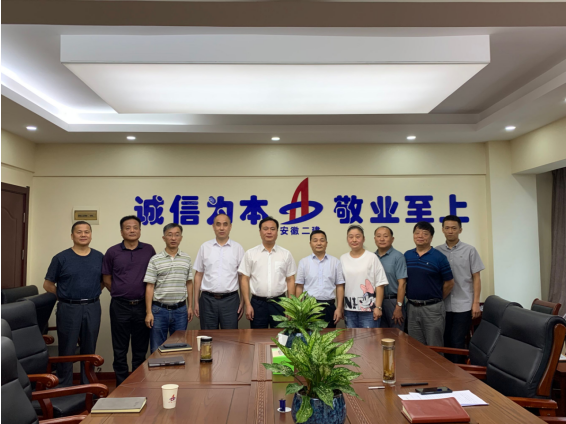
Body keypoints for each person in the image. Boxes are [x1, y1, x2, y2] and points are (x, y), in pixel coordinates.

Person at [43, 221, 104, 387]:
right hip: (68, 308)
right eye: (79, 232)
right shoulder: (61, 258)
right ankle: (64, 387)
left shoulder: (99, 257)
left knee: (89, 348)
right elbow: (48, 284)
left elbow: (103, 281)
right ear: (72, 235)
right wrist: (65, 297)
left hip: (92, 307)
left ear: (91, 235)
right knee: (67, 349)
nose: (83, 235)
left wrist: (89, 294)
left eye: (87, 231)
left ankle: (88, 386)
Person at [102, 215, 156, 386]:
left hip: (142, 306)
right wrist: (121, 292)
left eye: (135, 227)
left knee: (140, 350)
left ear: (140, 230)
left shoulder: (149, 250)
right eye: (128, 228)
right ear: (121, 232)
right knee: (120, 350)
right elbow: (107, 279)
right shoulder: (112, 252)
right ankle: (122, 386)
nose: (132, 230)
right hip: (120, 306)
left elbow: (154, 277)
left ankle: (138, 386)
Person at [437, 215, 485, 362]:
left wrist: (475, 303)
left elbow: (476, 277)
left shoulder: (470, 250)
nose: (450, 231)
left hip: (464, 304)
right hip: (443, 304)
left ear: (460, 230)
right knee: (445, 339)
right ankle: (446, 370)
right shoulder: (437, 251)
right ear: (442, 230)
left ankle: (458, 371)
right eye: (447, 228)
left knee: (457, 340)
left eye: (454, 228)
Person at [239, 216, 296, 328]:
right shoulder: (250, 254)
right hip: (257, 304)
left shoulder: (286, 254)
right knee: (257, 336)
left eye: (272, 229)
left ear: (277, 232)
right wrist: (248, 304)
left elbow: (290, 280)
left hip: (280, 303)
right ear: (260, 232)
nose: (269, 232)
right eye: (265, 229)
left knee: (281, 336)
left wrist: (290, 307)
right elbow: (244, 279)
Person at [144, 223, 194, 353]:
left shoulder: (186, 258)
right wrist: (149, 312)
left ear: (181, 238)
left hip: (180, 310)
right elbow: (150, 286)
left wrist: (190, 306)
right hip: (159, 310)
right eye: (170, 235)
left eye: (177, 235)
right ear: (164, 238)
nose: (173, 238)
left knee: (179, 348)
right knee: (156, 349)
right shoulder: (155, 259)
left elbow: (189, 283)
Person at [404, 221, 455, 346]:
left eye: (425, 233)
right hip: (411, 307)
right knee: (415, 347)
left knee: (434, 346)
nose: (420, 236)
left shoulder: (439, 257)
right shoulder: (407, 255)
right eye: (417, 233)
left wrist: (436, 299)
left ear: (431, 237)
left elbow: (449, 283)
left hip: (433, 309)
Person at [193, 213, 245, 330]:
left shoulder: (238, 248)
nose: (222, 228)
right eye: (218, 224)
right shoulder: (205, 247)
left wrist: (242, 302)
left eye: (225, 224)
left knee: (230, 337)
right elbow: (198, 275)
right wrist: (196, 302)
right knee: (208, 337)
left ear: (230, 227)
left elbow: (242, 277)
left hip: (230, 301)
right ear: (213, 226)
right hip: (207, 300)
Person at [340, 225, 388, 328]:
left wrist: (378, 307)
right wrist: (340, 307)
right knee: (351, 338)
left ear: (363, 239)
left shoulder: (372, 257)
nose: (354, 240)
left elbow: (380, 284)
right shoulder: (343, 258)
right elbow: (341, 285)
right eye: (351, 237)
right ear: (347, 239)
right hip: (349, 310)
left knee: (369, 338)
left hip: (369, 310)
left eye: (358, 236)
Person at [295, 230, 345, 328]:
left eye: (322, 240)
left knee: (329, 335)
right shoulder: (304, 262)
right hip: (309, 308)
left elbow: (340, 286)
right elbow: (299, 286)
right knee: (309, 336)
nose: (319, 243)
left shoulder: (335, 262)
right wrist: (299, 309)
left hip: (329, 307)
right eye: (315, 240)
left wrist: (339, 308)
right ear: (310, 243)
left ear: (326, 243)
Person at [374, 226, 408, 331]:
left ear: (392, 239)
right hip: (376, 302)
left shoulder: (398, 256)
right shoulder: (372, 257)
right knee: (378, 335)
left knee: (396, 335)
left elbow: (402, 284)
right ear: (374, 239)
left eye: (385, 236)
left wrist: (398, 307)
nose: (382, 239)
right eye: (378, 236)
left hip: (393, 301)